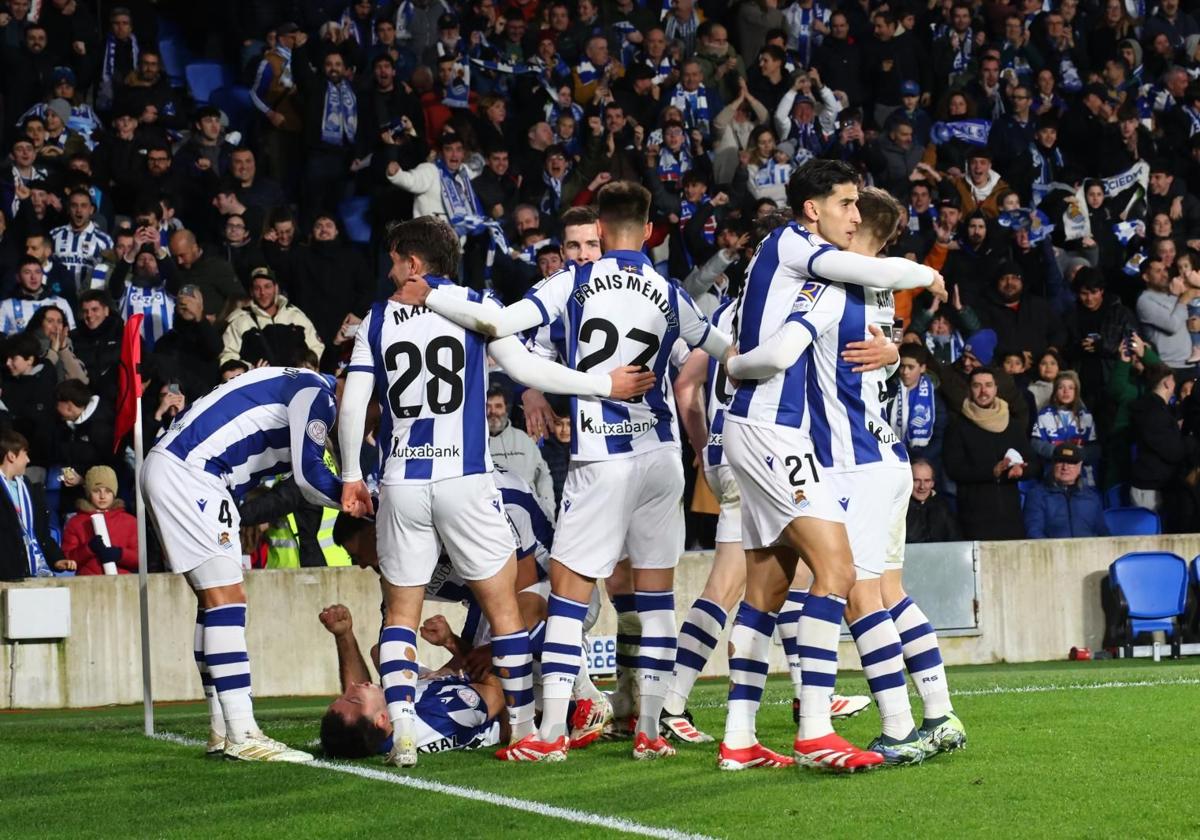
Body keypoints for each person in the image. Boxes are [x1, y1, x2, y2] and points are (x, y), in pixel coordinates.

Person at [394, 184, 732, 762]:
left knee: (569, 598)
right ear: (650, 229)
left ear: (599, 229)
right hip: (661, 457)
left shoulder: (574, 281)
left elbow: (501, 323)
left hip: (602, 458)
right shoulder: (669, 290)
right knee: (655, 599)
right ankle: (649, 729)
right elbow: (725, 349)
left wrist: (437, 297)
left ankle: (550, 732)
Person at [338, 214, 654, 766]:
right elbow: (528, 365)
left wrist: (348, 475)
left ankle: (404, 727)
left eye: (394, 262)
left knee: (400, 614)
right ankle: (527, 728)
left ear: (414, 262)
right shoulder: (474, 306)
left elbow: (353, 402)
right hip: (465, 478)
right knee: (503, 609)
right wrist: (603, 384)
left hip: (402, 480)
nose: (389, 273)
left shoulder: (377, 319)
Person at [715, 161, 939, 771]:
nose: (854, 215)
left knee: (765, 591)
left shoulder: (781, 252)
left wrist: (891, 349)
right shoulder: (803, 252)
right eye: (845, 203)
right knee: (837, 572)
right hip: (772, 434)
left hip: (755, 433)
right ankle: (814, 728)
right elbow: (786, 347)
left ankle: (738, 738)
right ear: (813, 208)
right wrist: (931, 276)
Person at [142, 366, 346, 763]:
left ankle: (221, 728)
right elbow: (310, 476)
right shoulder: (316, 395)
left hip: (183, 469)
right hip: (195, 474)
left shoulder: (300, 384)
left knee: (213, 601)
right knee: (226, 600)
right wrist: (366, 500)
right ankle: (243, 732)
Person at [317, 603, 505, 758]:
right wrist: (451, 642)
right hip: (507, 697)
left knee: (382, 652)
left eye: (344, 695)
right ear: (382, 719)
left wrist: (344, 636)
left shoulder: (382, 735)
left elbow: (365, 705)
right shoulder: (441, 714)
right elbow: (499, 689)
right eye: (353, 698)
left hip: (445, 687)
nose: (352, 686)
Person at [943, 367, 1034, 540]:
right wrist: (992, 471)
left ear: (996, 389)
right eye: (977, 386)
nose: (983, 391)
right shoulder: (957, 426)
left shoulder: (1012, 425)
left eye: (988, 385)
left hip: (1010, 518)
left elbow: (1034, 463)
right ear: (969, 389)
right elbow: (954, 469)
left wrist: (1023, 471)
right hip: (974, 519)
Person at [0, 429, 72, 580]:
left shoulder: (29, 488)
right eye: (25, 453)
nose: (28, 460)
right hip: (7, 574)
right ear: (11, 456)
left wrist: (56, 558)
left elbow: (40, 532)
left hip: (34, 573)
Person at [1130, 363, 1198, 520]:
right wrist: (1191, 441)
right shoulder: (1154, 413)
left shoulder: (1158, 410)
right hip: (1150, 489)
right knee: (1152, 539)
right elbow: (1173, 451)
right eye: (1174, 381)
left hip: (1157, 485)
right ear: (1167, 382)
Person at [219, 267, 324, 366]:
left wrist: (305, 368)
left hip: (295, 382)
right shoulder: (240, 320)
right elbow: (227, 357)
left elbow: (317, 348)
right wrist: (250, 371)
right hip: (259, 383)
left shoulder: (296, 316)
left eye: (267, 286)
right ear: (251, 292)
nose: (263, 293)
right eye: (257, 288)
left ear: (276, 288)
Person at [484, 385, 554, 520]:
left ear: (506, 409)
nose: (493, 411)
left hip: (532, 518)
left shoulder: (523, 439)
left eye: (498, 406)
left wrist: (548, 510)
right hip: (493, 520)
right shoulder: (476, 443)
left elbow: (543, 476)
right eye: (488, 406)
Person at [61, 465, 138, 575]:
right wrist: (88, 549)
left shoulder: (129, 522)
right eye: (97, 491)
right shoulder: (76, 522)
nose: (102, 496)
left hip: (123, 584)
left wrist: (120, 554)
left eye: (108, 491)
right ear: (88, 493)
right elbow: (67, 558)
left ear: (114, 493)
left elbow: (141, 558)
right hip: (88, 584)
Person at [1023, 443, 1108, 538]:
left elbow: (1103, 533)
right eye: (1060, 461)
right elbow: (1033, 532)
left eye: (1071, 462)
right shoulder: (1036, 496)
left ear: (1079, 466)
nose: (1065, 467)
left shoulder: (1092, 497)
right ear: (1053, 464)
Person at [1031, 371, 1100, 486]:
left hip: (1082, 474)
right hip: (1052, 472)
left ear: (1076, 392)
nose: (1066, 391)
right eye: (1061, 387)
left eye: (1071, 388)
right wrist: (1057, 452)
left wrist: (1078, 454)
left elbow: (1095, 448)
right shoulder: (1044, 414)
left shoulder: (1086, 416)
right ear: (1055, 391)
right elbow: (1035, 443)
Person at [888, 343, 947, 473]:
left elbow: (940, 435)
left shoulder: (933, 398)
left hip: (925, 464)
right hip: (891, 460)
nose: (905, 372)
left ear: (922, 368)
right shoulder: (888, 392)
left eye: (911, 367)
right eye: (902, 366)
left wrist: (920, 460)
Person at [50, 189, 113, 296]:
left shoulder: (104, 240)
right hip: (59, 297)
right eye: (74, 205)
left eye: (83, 206)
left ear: (91, 210)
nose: (78, 210)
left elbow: (109, 271)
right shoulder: (54, 235)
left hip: (89, 299)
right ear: (68, 209)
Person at [1, 256, 75, 334]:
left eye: (37, 272)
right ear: (18, 277)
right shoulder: (6, 306)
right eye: (27, 272)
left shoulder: (61, 303)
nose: (33, 277)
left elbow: (72, 335)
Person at [905, 459, 960, 543]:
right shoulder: (899, 509)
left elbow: (955, 540)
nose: (922, 487)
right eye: (916, 480)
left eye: (927, 481)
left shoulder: (943, 507)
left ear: (933, 483)